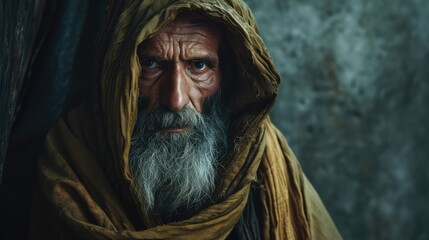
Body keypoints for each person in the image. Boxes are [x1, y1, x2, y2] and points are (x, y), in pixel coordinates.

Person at [30, 0, 342, 239]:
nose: (175, 99)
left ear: (228, 76)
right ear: (119, 77)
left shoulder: (266, 164)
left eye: (199, 66)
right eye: (152, 64)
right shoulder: (71, 161)